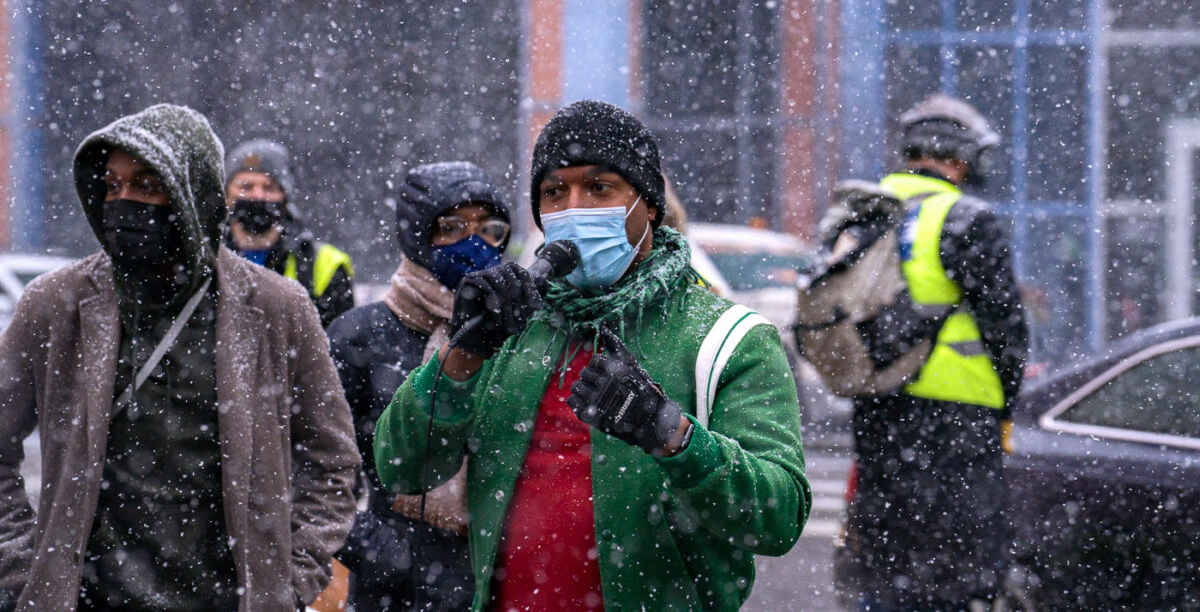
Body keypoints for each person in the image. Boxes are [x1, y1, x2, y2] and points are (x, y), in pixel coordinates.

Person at [374, 100, 810, 612]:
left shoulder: (729, 337)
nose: (575, 208)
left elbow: (778, 518)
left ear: (648, 204)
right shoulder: (512, 327)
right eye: (555, 192)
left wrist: (673, 436)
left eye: (600, 188)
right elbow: (402, 469)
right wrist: (462, 353)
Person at [0, 104, 360, 612]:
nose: (123, 202)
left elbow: (332, 463)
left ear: (195, 196)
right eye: (111, 185)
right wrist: (28, 568)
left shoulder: (279, 308)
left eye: (147, 185)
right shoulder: (55, 304)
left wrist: (288, 579)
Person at [847, 94, 1030, 611]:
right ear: (962, 158)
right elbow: (1006, 329)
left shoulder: (865, 207)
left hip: (879, 406)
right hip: (956, 418)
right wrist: (1006, 406)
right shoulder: (965, 217)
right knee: (960, 566)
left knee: (888, 556)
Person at [329, 161, 514, 611]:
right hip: (395, 595)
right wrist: (382, 555)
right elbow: (309, 470)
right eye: (451, 227)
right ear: (417, 235)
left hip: (498, 586)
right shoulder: (360, 336)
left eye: (489, 227)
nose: (474, 242)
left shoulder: (518, 331)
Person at [225, 139, 354, 326]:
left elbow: (338, 346)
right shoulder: (205, 258)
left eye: (269, 187)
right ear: (227, 195)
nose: (258, 196)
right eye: (246, 187)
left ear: (286, 197)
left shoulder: (325, 265)